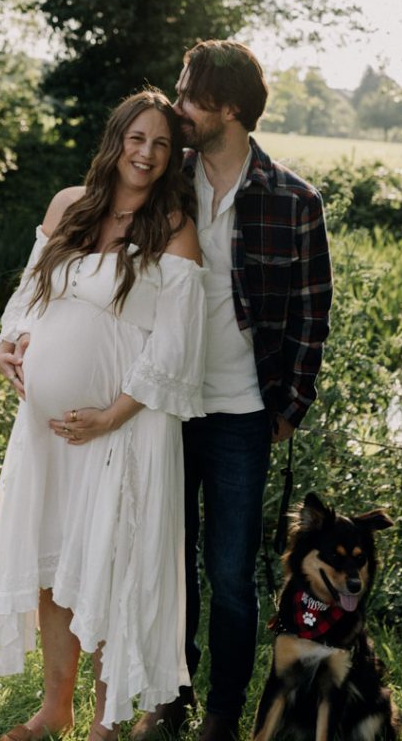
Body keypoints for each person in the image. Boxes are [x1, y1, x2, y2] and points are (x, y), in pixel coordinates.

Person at [0, 90, 207, 741]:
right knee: (52, 564)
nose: (147, 154)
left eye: (161, 144)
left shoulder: (173, 227)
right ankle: (54, 709)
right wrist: (13, 343)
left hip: (122, 432)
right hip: (49, 437)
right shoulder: (68, 206)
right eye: (137, 138)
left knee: (107, 566)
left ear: (172, 156)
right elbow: (25, 296)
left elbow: (176, 344)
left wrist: (111, 416)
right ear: (115, 139)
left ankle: (106, 722)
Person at [131, 40, 333, 741]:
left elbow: (313, 311)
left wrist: (290, 407)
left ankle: (221, 711)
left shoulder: (294, 201)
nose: (177, 108)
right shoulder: (163, 182)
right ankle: (171, 695)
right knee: (168, 562)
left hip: (243, 414)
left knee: (229, 574)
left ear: (229, 110)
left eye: (189, 97)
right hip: (164, 405)